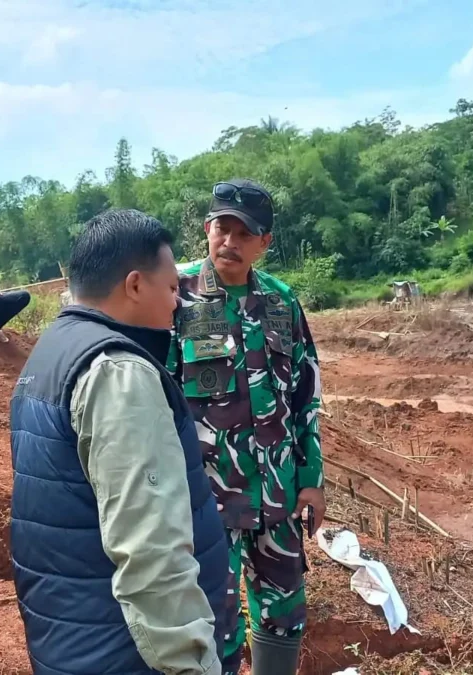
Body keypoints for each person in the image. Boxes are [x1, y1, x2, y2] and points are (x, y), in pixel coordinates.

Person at [11, 209, 229, 675]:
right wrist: (193, 663)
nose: (177, 305)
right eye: (171, 288)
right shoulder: (119, 372)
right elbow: (151, 549)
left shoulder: (51, 352)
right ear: (134, 285)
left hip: (77, 642)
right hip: (128, 656)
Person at [167, 179, 325, 675]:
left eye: (243, 233)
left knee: (284, 612)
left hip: (277, 494)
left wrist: (311, 479)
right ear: (207, 229)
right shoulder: (175, 295)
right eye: (221, 228)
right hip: (207, 499)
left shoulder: (281, 302)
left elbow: (306, 396)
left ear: (265, 242)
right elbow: (155, 395)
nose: (229, 241)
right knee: (214, 618)